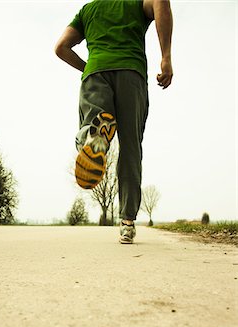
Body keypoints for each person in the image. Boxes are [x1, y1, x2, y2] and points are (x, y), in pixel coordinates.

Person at [55, 0, 173, 243]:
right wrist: (166, 57)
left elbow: (61, 47)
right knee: (130, 149)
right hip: (131, 73)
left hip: (96, 73)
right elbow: (161, 2)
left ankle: (93, 135)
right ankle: (127, 222)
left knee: (93, 121)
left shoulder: (88, 10)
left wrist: (88, 67)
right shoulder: (136, 3)